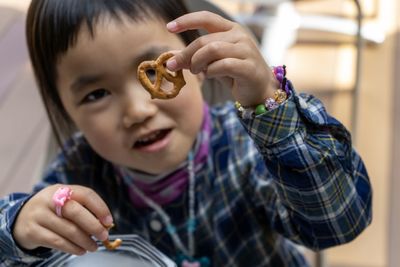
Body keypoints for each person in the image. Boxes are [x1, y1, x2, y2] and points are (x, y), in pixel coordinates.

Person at [0, 0, 372, 266]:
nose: (137, 111)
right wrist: (19, 227)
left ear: (195, 59)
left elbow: (340, 221)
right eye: (97, 94)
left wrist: (267, 102)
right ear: (64, 109)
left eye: (155, 72)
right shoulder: (75, 181)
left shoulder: (248, 148)